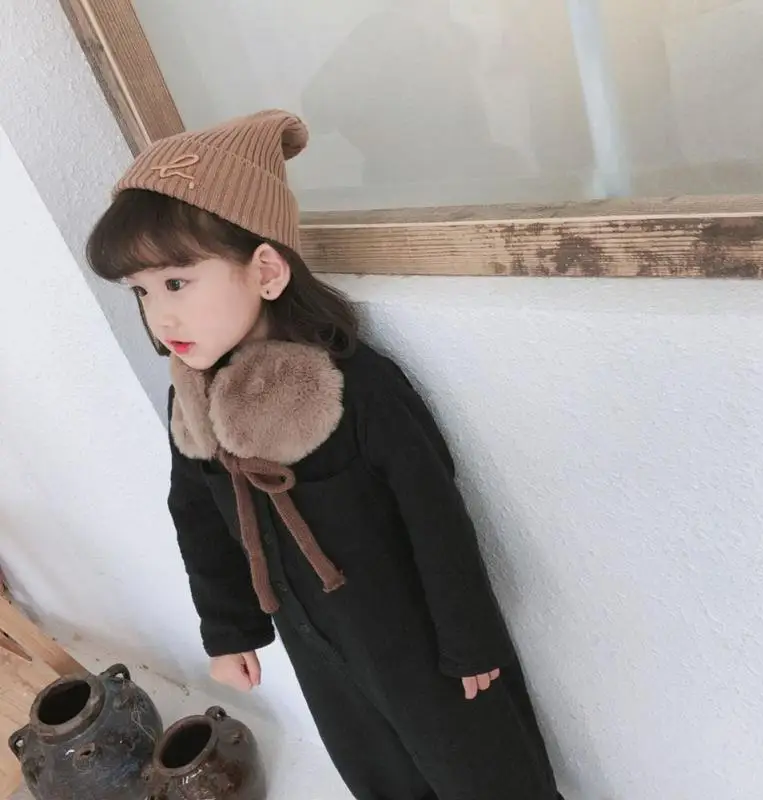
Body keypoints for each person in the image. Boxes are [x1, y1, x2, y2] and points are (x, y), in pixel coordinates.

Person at [86, 110, 563, 800]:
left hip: (420, 643)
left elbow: (435, 515)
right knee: (376, 771)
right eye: (142, 291)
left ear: (266, 270)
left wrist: (471, 641)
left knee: (483, 771)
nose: (160, 316)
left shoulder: (357, 387)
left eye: (177, 282)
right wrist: (230, 630)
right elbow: (197, 514)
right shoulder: (192, 398)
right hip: (316, 649)